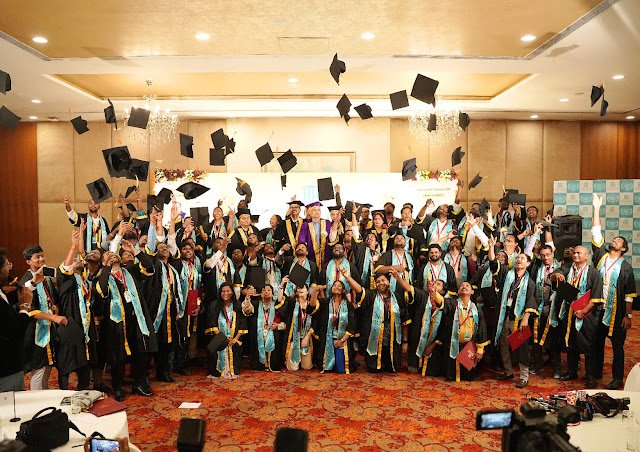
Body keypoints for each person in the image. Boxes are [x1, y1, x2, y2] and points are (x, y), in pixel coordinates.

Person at [94, 240, 158, 401]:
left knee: (141, 352)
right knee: (118, 357)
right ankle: (117, 388)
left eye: (114, 254)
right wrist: (106, 267)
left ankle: (139, 384)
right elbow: (102, 291)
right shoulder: (102, 277)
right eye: (108, 255)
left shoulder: (130, 270)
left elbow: (149, 266)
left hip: (136, 319)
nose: (112, 255)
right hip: (116, 324)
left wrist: (135, 250)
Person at [591, 194, 636, 390]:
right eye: (614, 238)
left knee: (617, 346)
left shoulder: (625, 267)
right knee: (596, 344)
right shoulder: (601, 256)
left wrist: (628, 315)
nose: (614, 240)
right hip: (597, 309)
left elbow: (629, 294)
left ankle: (617, 378)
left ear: (623, 249)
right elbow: (596, 232)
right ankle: (595, 373)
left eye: (618, 240)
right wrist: (596, 208)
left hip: (617, 313)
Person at [551, 245, 604, 389]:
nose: (575, 255)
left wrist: (584, 311)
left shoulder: (594, 273)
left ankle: (590, 376)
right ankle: (572, 372)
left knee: (588, 345)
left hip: (587, 315)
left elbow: (596, 297)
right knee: (571, 343)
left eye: (579, 253)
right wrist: (556, 275)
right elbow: (555, 273)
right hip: (569, 313)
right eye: (574, 253)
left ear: (587, 256)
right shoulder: (567, 269)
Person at [490, 237, 538, 388]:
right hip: (504, 316)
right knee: (503, 343)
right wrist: (491, 247)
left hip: (518, 318)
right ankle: (508, 371)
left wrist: (526, 318)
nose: (519, 260)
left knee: (521, 346)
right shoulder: (507, 275)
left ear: (528, 264)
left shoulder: (530, 282)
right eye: (517, 258)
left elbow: (531, 300)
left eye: (522, 259)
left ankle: (524, 376)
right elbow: (493, 264)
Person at [22, 244, 67, 390]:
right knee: (39, 369)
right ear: (28, 261)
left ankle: (44, 395)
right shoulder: (27, 281)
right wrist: (54, 318)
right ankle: (36, 399)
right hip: (35, 331)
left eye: (42, 256)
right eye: (37, 257)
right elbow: (29, 310)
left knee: (47, 366)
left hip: (48, 328)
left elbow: (52, 300)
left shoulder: (45, 278)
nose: (41, 259)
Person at [56, 229, 96, 390]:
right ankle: (63, 391)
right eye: (74, 260)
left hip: (84, 324)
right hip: (70, 323)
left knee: (84, 359)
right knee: (66, 360)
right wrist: (73, 247)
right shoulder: (66, 280)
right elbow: (65, 268)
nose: (77, 260)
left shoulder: (85, 281)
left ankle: (83, 388)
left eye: (79, 259)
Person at [350, 270, 410, 373]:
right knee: (373, 369)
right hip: (375, 338)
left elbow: (405, 320)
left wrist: (405, 341)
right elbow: (359, 290)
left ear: (389, 282)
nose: (381, 283)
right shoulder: (371, 295)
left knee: (393, 369)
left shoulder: (397, 297)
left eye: (383, 280)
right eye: (377, 281)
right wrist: (347, 277)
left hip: (392, 338)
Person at [309, 271, 358, 374]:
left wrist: (342, 340)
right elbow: (312, 306)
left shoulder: (348, 305)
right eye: (334, 285)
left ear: (343, 290)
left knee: (341, 369)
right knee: (328, 368)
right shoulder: (325, 302)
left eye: (339, 285)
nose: (336, 287)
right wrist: (315, 292)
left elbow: (352, 324)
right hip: (328, 338)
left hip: (342, 339)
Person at [439, 282, 489, 381]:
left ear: (472, 292)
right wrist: (434, 292)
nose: (464, 287)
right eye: (462, 285)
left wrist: (480, 350)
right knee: (451, 377)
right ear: (458, 291)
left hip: (469, 346)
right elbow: (441, 302)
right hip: (453, 344)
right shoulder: (452, 304)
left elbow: (481, 330)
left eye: (467, 286)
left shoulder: (476, 309)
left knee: (468, 377)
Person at [0, 248, 33, 391]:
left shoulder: (1, 291)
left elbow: (6, 301)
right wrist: (25, 307)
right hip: (6, 368)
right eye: (7, 264)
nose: (10, 267)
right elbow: (16, 332)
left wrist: (32, 284)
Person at [206, 283, 247, 379]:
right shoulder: (214, 305)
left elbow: (242, 323)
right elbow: (212, 324)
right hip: (219, 337)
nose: (225, 293)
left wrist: (235, 339)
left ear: (232, 292)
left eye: (228, 291)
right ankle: (217, 370)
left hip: (234, 339)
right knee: (213, 347)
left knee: (237, 346)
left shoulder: (237, 305)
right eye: (223, 291)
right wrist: (224, 339)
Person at [242, 285, 287, 371]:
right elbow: (247, 311)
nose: (266, 292)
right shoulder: (255, 305)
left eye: (269, 290)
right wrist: (247, 297)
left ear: (273, 294)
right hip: (258, 334)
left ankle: (272, 363)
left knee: (276, 336)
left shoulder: (277, 307)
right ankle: (260, 364)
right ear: (261, 294)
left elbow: (285, 323)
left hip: (273, 333)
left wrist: (277, 326)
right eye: (264, 290)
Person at [407, 279, 445, 376]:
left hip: (435, 340)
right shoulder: (423, 296)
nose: (434, 285)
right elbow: (408, 288)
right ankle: (415, 363)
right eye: (434, 283)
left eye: (438, 284)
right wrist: (398, 277)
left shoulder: (446, 303)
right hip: (419, 334)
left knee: (431, 372)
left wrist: (434, 344)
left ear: (442, 291)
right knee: (412, 370)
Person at [277, 279, 317, 371]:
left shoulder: (311, 304)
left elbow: (315, 322)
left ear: (307, 291)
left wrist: (306, 337)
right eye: (298, 288)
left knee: (306, 367)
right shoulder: (291, 303)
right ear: (296, 291)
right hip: (294, 338)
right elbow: (280, 301)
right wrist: (282, 285)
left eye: (303, 287)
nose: (300, 289)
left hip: (307, 338)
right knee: (293, 368)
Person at [375, 235, 414, 301]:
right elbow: (378, 269)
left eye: (401, 238)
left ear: (405, 242)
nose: (399, 239)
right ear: (393, 241)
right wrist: (393, 267)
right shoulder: (387, 255)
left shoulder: (410, 257)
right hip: (393, 287)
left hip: (407, 287)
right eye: (397, 238)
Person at [297, 202, 335, 268]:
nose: (317, 212)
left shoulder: (327, 223)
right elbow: (302, 239)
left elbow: (331, 238)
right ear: (310, 212)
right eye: (314, 210)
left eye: (318, 210)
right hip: (312, 254)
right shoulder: (306, 225)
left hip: (326, 253)